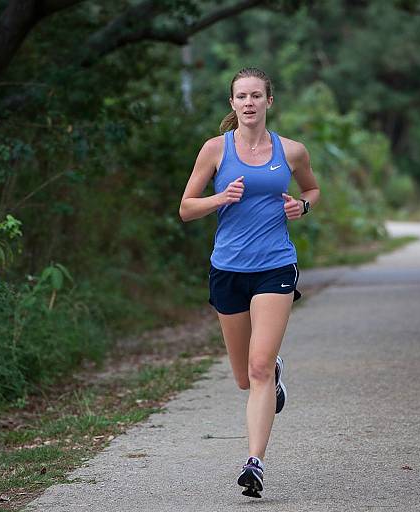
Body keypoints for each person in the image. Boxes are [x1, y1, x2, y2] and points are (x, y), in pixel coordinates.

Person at [178, 67, 320, 498]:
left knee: (256, 368)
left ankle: (254, 463)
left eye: (256, 95)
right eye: (241, 96)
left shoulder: (291, 151)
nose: (249, 103)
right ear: (232, 103)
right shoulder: (215, 150)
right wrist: (220, 198)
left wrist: (302, 207)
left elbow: (312, 190)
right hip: (228, 269)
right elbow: (186, 208)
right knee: (245, 377)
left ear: (269, 101)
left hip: (275, 266)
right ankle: (272, 372)